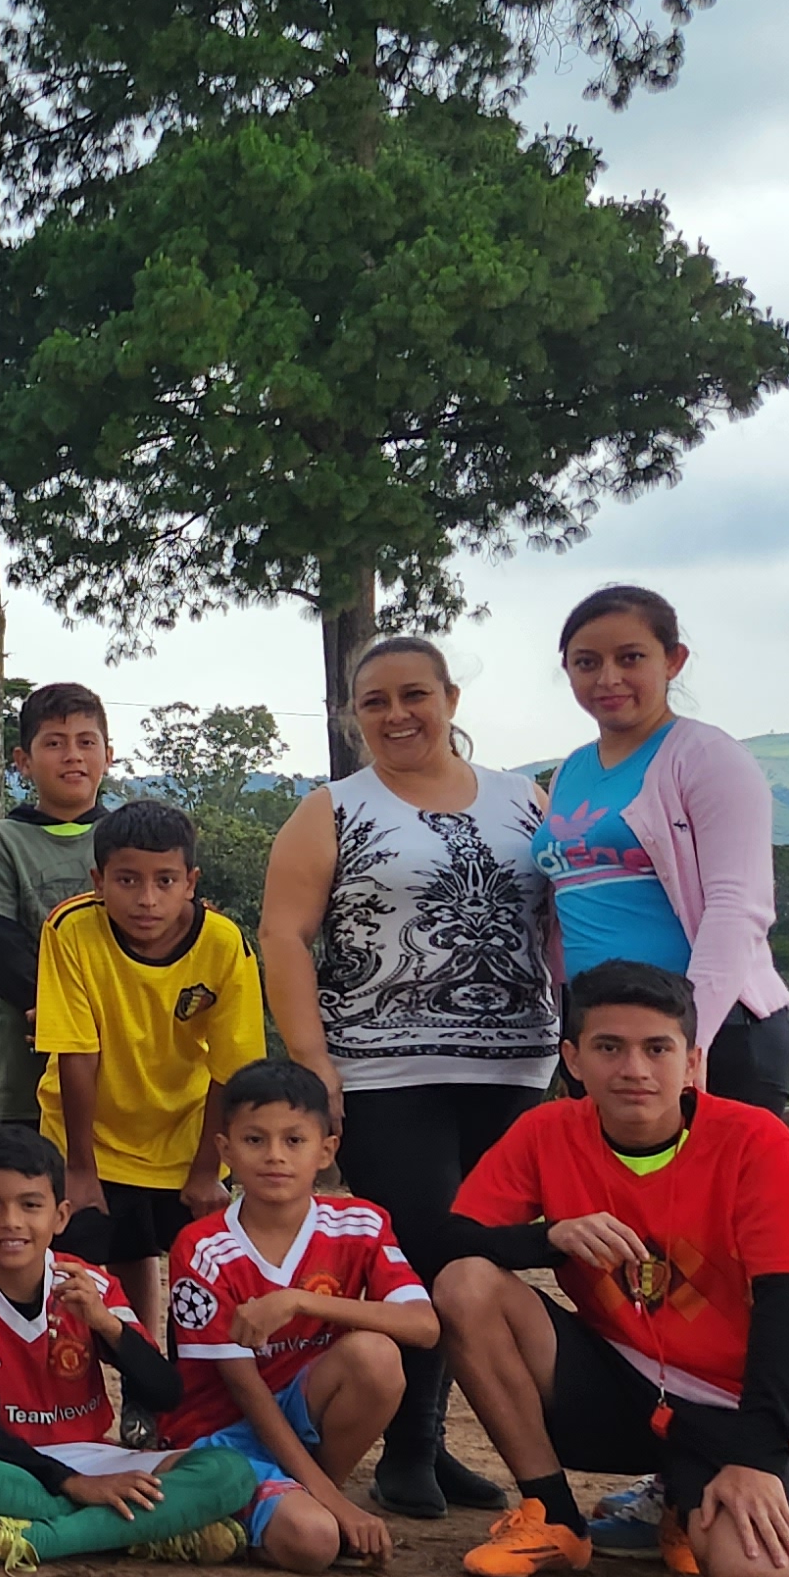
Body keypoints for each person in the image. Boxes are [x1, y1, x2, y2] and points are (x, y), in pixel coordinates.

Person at [429, 960, 789, 1577]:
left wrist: (759, 1454)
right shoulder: (546, 1131)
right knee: (465, 1284)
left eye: (657, 1049)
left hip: (727, 1407)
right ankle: (554, 1517)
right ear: (573, 1059)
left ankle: (678, 1503)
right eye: (609, 1047)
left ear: (693, 1061)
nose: (634, 1069)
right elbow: (451, 1241)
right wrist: (550, 1238)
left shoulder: (754, 1140)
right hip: (610, 1383)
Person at [257, 633, 552, 1518]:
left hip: (517, 1066)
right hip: (385, 1070)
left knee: (478, 1258)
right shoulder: (332, 809)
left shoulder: (525, 801)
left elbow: (558, 923)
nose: (397, 715)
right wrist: (312, 1058)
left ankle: (430, 1442)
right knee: (423, 1250)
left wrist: (578, 1037)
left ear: (451, 699)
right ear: (353, 717)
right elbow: (282, 936)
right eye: (375, 702)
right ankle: (409, 1449)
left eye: (414, 695)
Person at [0, 1122, 258, 1572]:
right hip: (6, 1461)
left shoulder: (89, 1283)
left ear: (60, 1216)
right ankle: (141, 1533)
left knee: (231, 1472)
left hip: (93, 1454)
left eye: (30, 1205)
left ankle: (35, 1538)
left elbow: (166, 1392)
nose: (11, 1221)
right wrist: (72, 1484)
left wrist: (105, 1324)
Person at [159, 1061, 439, 1575]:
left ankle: (305, 1497)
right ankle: (251, 1513)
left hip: (300, 1411)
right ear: (224, 1150)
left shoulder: (361, 1223)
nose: (274, 1156)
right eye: (254, 1140)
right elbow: (245, 1390)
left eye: (294, 1140)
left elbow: (424, 1327)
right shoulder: (202, 1247)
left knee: (376, 1356)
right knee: (315, 1543)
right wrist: (336, 1506)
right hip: (219, 1435)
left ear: (326, 1151)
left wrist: (301, 1301)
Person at [539, 584, 789, 1111]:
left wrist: (687, 1045)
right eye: (587, 663)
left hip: (708, 1038)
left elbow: (737, 907)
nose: (608, 678)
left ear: (673, 661)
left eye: (630, 658)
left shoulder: (707, 758)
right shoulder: (571, 770)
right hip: (606, 1037)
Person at [36, 798, 262, 1333]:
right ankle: (118, 1373)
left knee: (199, 1295)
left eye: (165, 881)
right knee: (75, 1294)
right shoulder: (70, 929)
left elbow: (232, 1068)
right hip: (89, 1142)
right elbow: (76, 1052)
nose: (147, 899)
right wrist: (80, 1170)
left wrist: (207, 1171)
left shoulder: (223, 944)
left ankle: (177, 1382)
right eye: (127, 880)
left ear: (191, 883)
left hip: (185, 1141)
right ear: (98, 881)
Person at [0, 683, 112, 1132]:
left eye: (86, 742)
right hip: (24, 1075)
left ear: (108, 755)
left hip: (124, 1075)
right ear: (23, 761)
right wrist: (64, 1018)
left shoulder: (132, 840)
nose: (73, 756)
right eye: (55, 744)